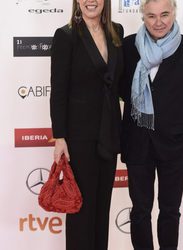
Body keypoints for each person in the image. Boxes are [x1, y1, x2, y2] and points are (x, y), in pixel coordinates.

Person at [120, 0, 183, 249]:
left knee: (170, 211)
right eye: (151, 16)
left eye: (164, 14)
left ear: (174, 14)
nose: (158, 22)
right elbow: (119, 89)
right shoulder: (128, 47)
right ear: (143, 17)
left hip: (176, 146)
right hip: (137, 142)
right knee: (139, 211)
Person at [50, 0, 123, 249]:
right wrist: (59, 137)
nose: (91, 1)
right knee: (81, 210)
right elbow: (58, 90)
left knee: (102, 208)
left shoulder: (117, 31)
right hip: (79, 138)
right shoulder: (66, 36)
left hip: (109, 134)